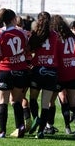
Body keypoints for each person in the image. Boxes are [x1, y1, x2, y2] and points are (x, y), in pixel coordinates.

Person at [0, 8, 29, 138]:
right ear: (14, 19)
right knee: (17, 101)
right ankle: (20, 128)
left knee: (3, 101)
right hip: (20, 70)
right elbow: (27, 48)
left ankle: (2, 131)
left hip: (5, 70)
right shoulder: (23, 33)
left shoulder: (1, 35)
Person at [44, 15, 75, 138]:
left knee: (51, 101)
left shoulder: (56, 37)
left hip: (60, 72)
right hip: (73, 71)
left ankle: (49, 126)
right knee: (74, 101)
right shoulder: (71, 37)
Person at [27, 11, 59, 139]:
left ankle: (36, 118)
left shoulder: (36, 33)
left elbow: (29, 49)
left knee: (33, 99)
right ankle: (40, 132)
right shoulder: (55, 35)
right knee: (46, 103)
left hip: (38, 69)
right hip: (52, 71)